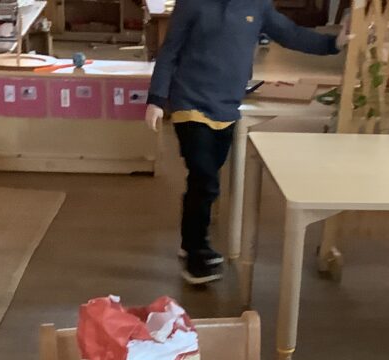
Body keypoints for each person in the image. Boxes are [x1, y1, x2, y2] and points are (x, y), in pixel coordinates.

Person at [145, 0, 348, 285]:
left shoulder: (257, 5)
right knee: (204, 178)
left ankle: (190, 240)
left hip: (226, 107)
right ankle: (196, 252)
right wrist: (156, 99)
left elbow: (290, 34)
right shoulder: (191, 4)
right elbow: (169, 51)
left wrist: (333, 43)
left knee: (205, 179)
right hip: (189, 102)